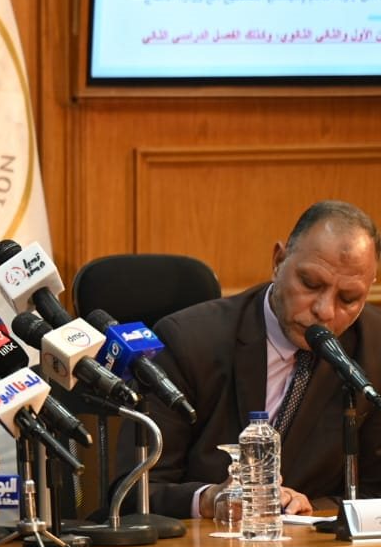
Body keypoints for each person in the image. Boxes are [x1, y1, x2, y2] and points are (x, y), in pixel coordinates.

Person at [116, 200, 381, 519]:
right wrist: (209, 499)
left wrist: (310, 510)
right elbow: (133, 489)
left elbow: (373, 492)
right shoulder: (189, 341)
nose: (324, 311)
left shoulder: (373, 346)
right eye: (311, 284)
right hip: (206, 542)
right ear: (278, 261)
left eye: (349, 299)